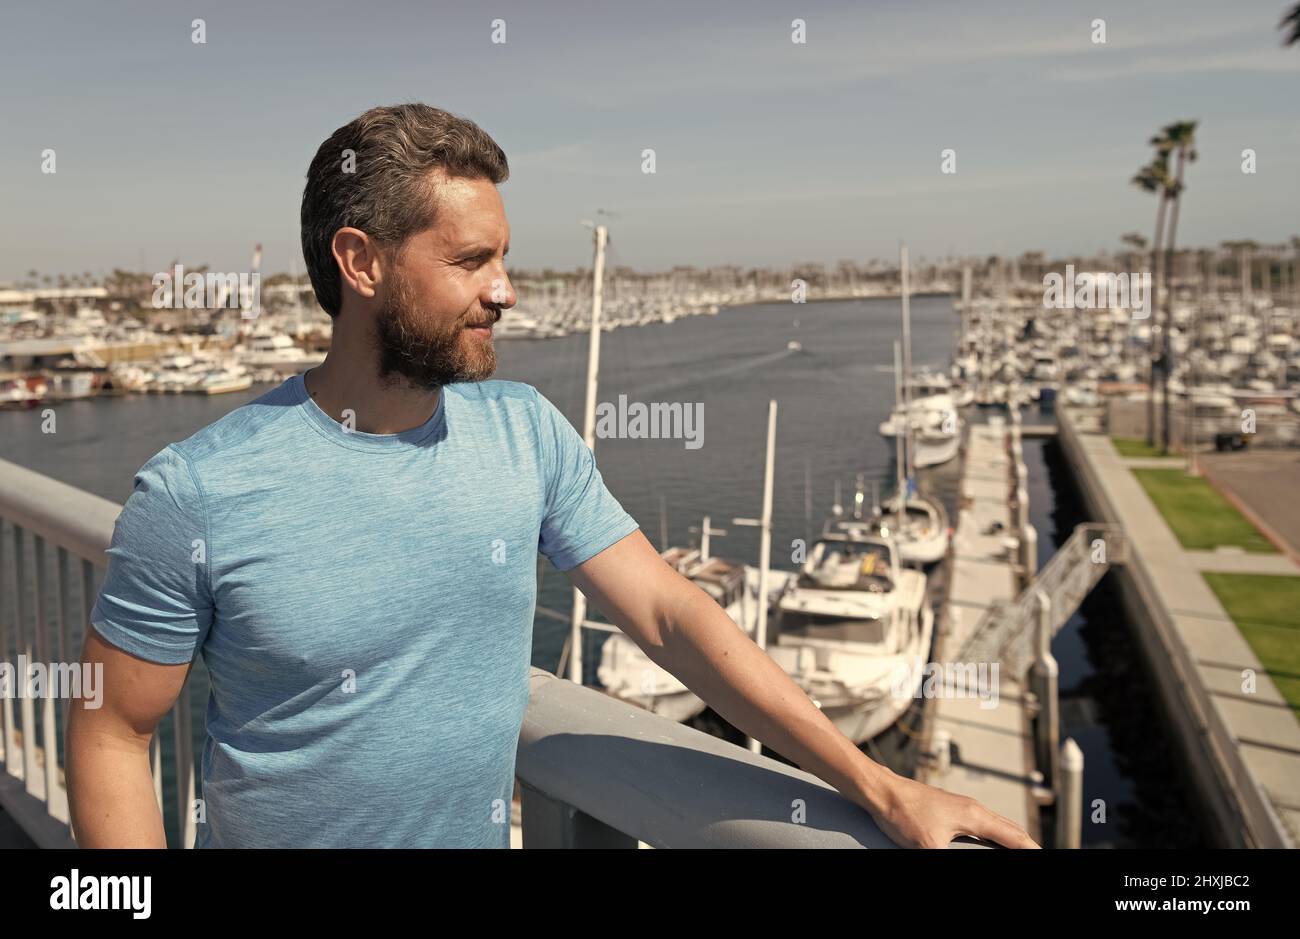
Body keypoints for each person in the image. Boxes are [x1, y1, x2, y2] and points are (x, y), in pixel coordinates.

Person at [66, 103, 1037, 849]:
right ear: (360, 263)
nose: (506, 289)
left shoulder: (522, 433)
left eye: (506, 257)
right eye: (472, 260)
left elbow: (669, 616)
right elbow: (113, 732)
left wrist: (875, 784)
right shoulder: (200, 491)